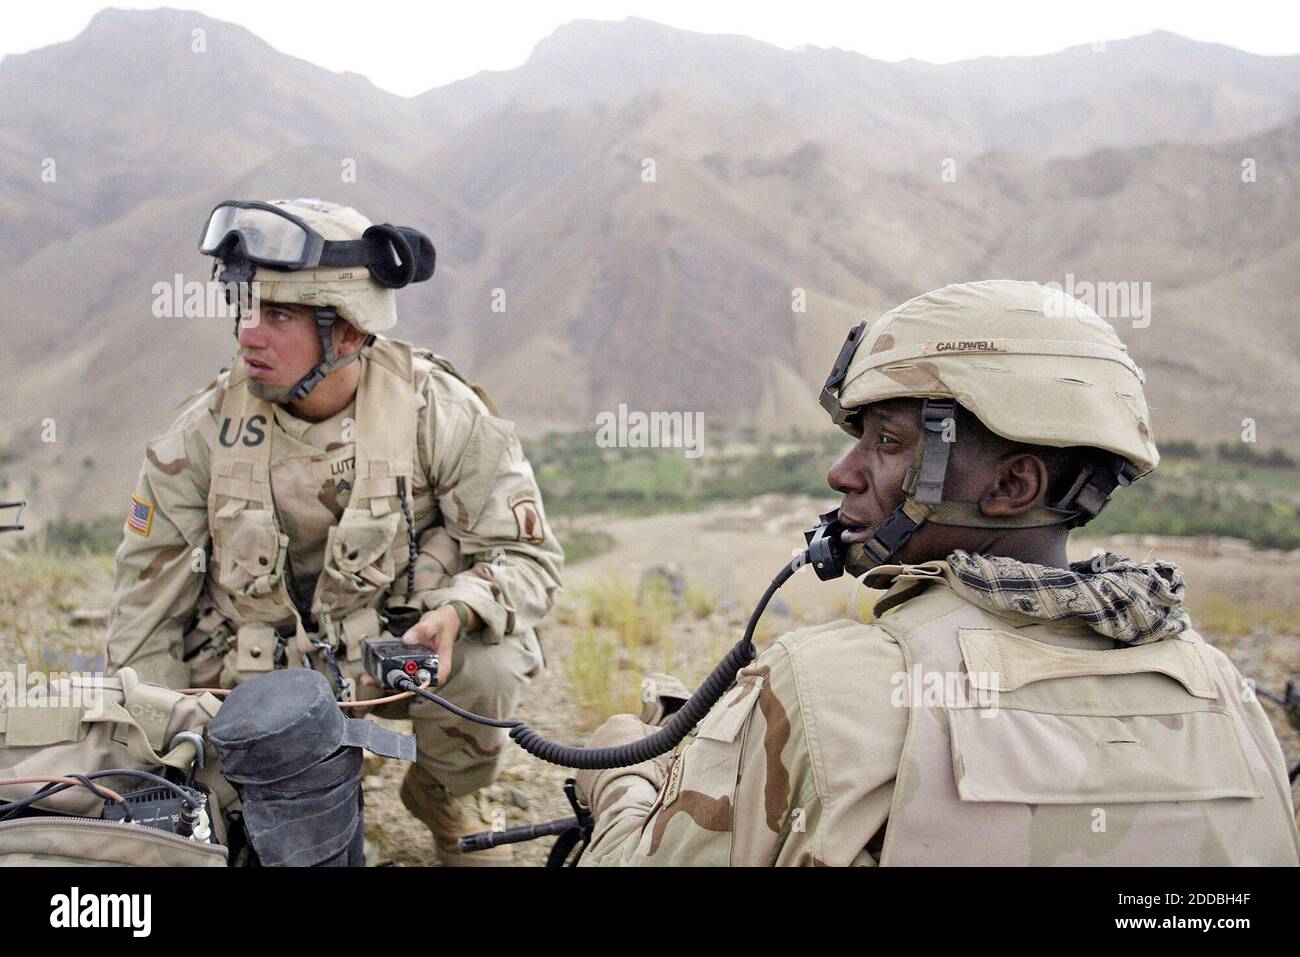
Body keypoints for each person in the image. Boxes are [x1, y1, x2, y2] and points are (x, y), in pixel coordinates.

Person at [574, 280, 1300, 866]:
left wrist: (622, 779)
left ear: (1012, 486)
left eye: (888, 442)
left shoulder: (823, 687)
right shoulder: (1225, 692)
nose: (843, 472)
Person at [106, 198, 563, 865]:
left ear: (348, 332)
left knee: (490, 663)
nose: (247, 334)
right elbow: (143, 618)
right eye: (246, 306)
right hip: (248, 672)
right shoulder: (200, 436)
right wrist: (154, 769)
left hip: (395, 655)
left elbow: (529, 555)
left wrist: (460, 612)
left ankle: (444, 792)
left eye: (279, 314)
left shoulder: (437, 411)